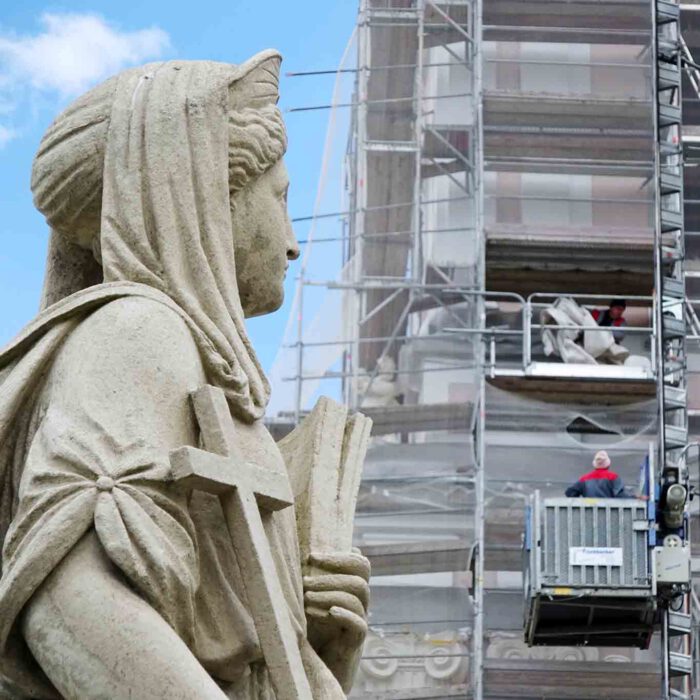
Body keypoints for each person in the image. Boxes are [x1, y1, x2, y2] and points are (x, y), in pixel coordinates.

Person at [0, 55, 368, 699]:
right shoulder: (139, 330)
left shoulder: (193, 360)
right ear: (202, 201)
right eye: (279, 198)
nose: (291, 241)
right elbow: (67, 602)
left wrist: (319, 649)